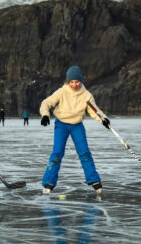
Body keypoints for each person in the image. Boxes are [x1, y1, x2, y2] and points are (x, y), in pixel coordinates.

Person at [39, 66, 110, 196]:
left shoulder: (86, 95)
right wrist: (45, 115)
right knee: (57, 153)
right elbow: (46, 103)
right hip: (61, 125)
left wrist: (103, 119)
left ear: (81, 81)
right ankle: (48, 182)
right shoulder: (62, 92)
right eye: (71, 82)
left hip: (77, 125)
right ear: (68, 82)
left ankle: (94, 180)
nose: (74, 84)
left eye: (77, 81)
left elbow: (95, 111)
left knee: (84, 153)